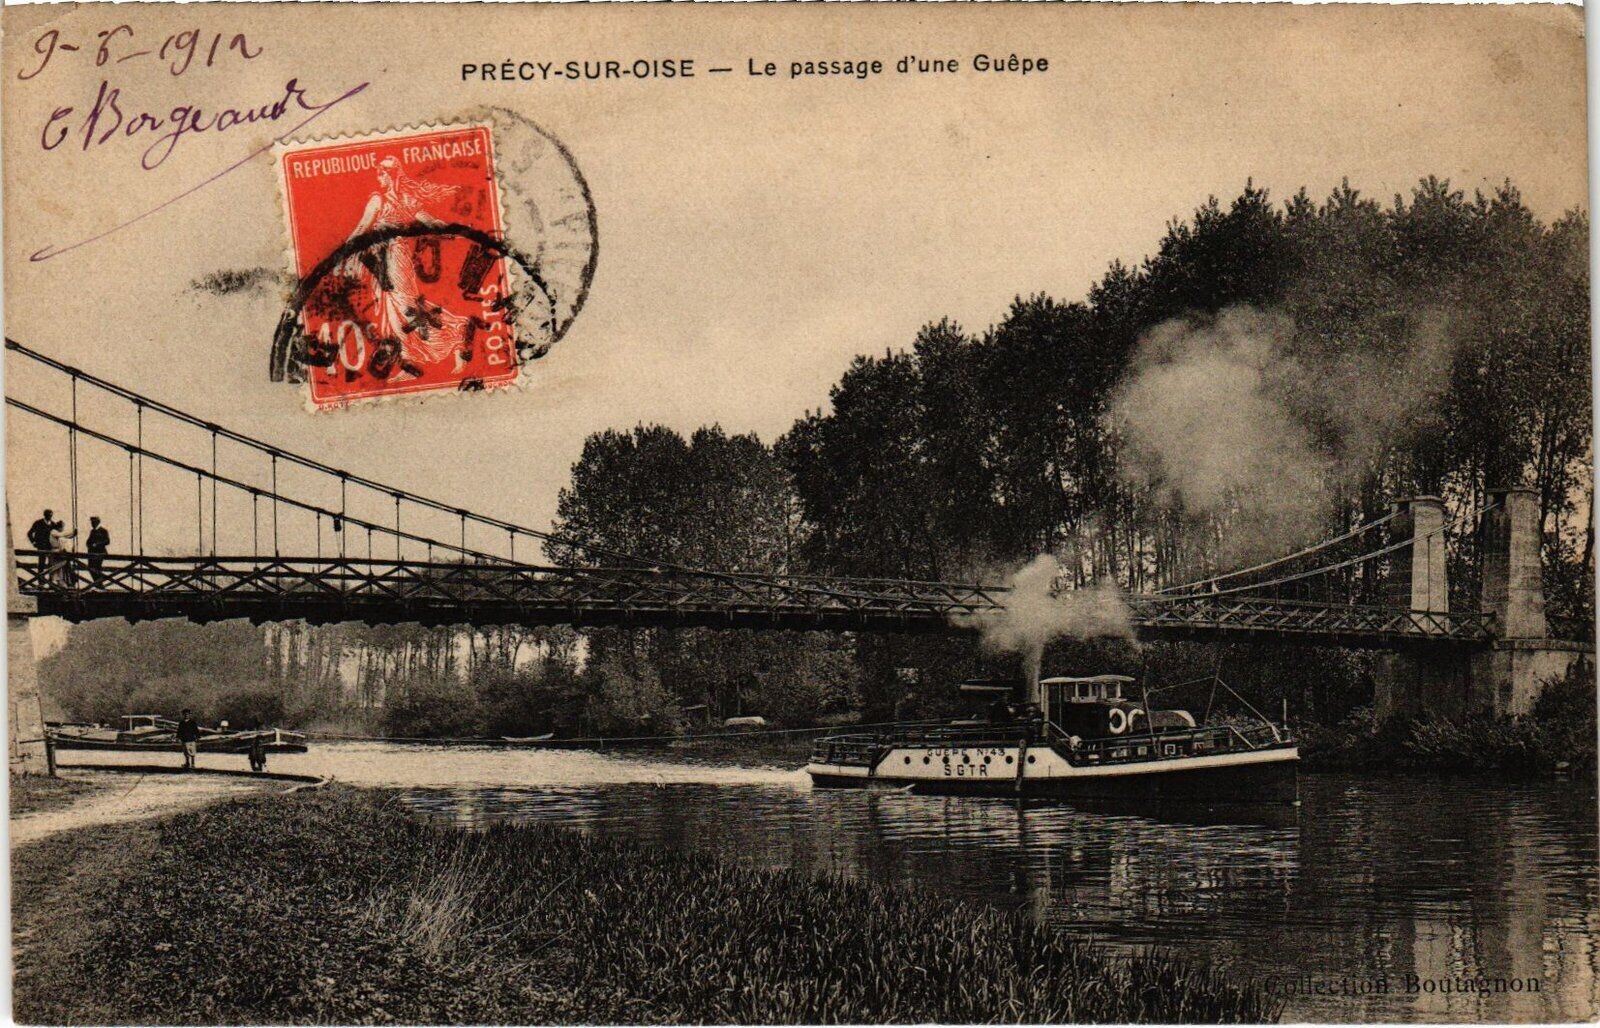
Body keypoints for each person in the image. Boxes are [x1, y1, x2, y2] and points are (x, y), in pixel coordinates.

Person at [47, 520, 77, 588]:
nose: (62, 529)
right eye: (62, 527)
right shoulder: (53, 531)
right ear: (59, 527)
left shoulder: (57, 533)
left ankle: (60, 583)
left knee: (60, 568)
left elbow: (66, 536)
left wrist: (73, 535)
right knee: (55, 568)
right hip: (55, 551)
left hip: (59, 551)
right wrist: (72, 532)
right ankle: (54, 583)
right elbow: (62, 535)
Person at [26, 509, 54, 578]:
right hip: (41, 546)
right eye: (48, 515)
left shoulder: (53, 524)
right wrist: (33, 542)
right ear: (45, 515)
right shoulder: (38, 523)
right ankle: (41, 581)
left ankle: (51, 581)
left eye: (51, 516)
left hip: (50, 547)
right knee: (41, 563)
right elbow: (29, 533)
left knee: (51, 564)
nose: (50, 517)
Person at [85, 516, 110, 586]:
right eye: (91, 522)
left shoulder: (103, 530)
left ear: (97, 522)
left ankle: (99, 585)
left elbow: (107, 541)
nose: (92, 524)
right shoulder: (92, 531)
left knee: (96, 568)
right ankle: (99, 585)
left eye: (93, 522)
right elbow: (88, 541)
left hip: (100, 552)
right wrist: (88, 545)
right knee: (91, 568)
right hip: (92, 553)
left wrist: (97, 544)